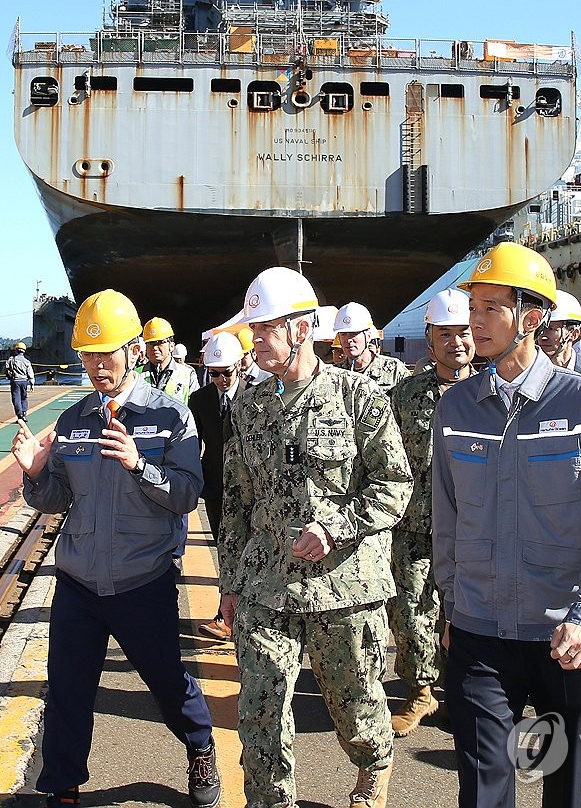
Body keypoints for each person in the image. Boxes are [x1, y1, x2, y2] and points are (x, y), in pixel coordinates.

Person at [433, 242, 581, 808]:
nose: (475, 322)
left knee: (559, 779)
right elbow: (445, 518)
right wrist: (452, 606)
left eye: (492, 308)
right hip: (479, 632)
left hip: (562, 635)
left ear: (532, 316)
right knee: (483, 784)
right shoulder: (456, 409)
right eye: (473, 306)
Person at [11, 289, 220, 808]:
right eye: (88, 355)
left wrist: (139, 464)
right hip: (79, 580)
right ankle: (62, 787)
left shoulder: (171, 416)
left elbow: (187, 494)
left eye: (108, 355)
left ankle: (199, 743)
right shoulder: (74, 420)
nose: (98, 366)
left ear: (133, 350)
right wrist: (36, 474)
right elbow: (57, 497)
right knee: (67, 687)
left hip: (142, 579)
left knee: (167, 679)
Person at [219, 267, 413, 808]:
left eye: (265, 329)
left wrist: (336, 527)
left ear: (302, 330)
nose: (254, 340)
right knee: (260, 709)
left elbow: (394, 483)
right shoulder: (249, 406)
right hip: (265, 583)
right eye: (253, 329)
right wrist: (230, 582)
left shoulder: (359, 397)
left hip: (343, 586)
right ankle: (268, 800)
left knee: (354, 709)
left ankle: (374, 764)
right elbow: (237, 504)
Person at [388, 287, 474, 737]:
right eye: (446, 334)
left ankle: (463, 689)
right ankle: (421, 690)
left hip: (475, 528)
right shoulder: (404, 396)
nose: (456, 342)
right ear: (430, 336)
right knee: (411, 611)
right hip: (416, 526)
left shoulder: (493, 392)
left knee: (468, 612)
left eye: (463, 333)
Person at [189, 331, 244, 641]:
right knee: (225, 550)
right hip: (216, 489)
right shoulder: (200, 399)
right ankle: (226, 614)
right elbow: (192, 443)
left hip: (252, 492)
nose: (221, 379)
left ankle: (245, 614)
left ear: (240, 366)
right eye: (214, 373)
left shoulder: (257, 395)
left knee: (251, 551)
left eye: (227, 373)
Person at [335, 301, 410, 392]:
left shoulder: (394, 370)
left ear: (368, 335)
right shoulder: (335, 374)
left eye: (354, 333)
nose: (348, 340)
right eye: (343, 334)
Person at [142, 317, 200, 404]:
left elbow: (196, 407)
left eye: (160, 342)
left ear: (172, 346)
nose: (154, 347)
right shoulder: (136, 375)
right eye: (150, 343)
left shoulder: (187, 374)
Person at [6, 341, 35, 421]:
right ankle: (24, 413)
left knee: (16, 398)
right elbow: (30, 373)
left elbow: (6, 369)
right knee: (24, 397)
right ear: (24, 351)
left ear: (16, 350)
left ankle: (20, 415)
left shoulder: (11, 360)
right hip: (24, 381)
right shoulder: (27, 361)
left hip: (15, 381)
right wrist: (32, 384)